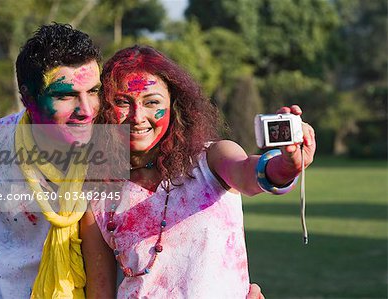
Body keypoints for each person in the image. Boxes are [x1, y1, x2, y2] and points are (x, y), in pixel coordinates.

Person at [80, 45, 316, 298]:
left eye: (152, 102)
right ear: (103, 109)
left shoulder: (210, 160)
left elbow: (250, 174)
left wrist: (287, 165)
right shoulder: (98, 195)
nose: (138, 116)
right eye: (122, 102)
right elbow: (99, 292)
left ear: (175, 104)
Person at [0, 23, 102, 298]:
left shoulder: (116, 143)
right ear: (27, 98)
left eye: (93, 91)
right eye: (65, 95)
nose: (87, 110)